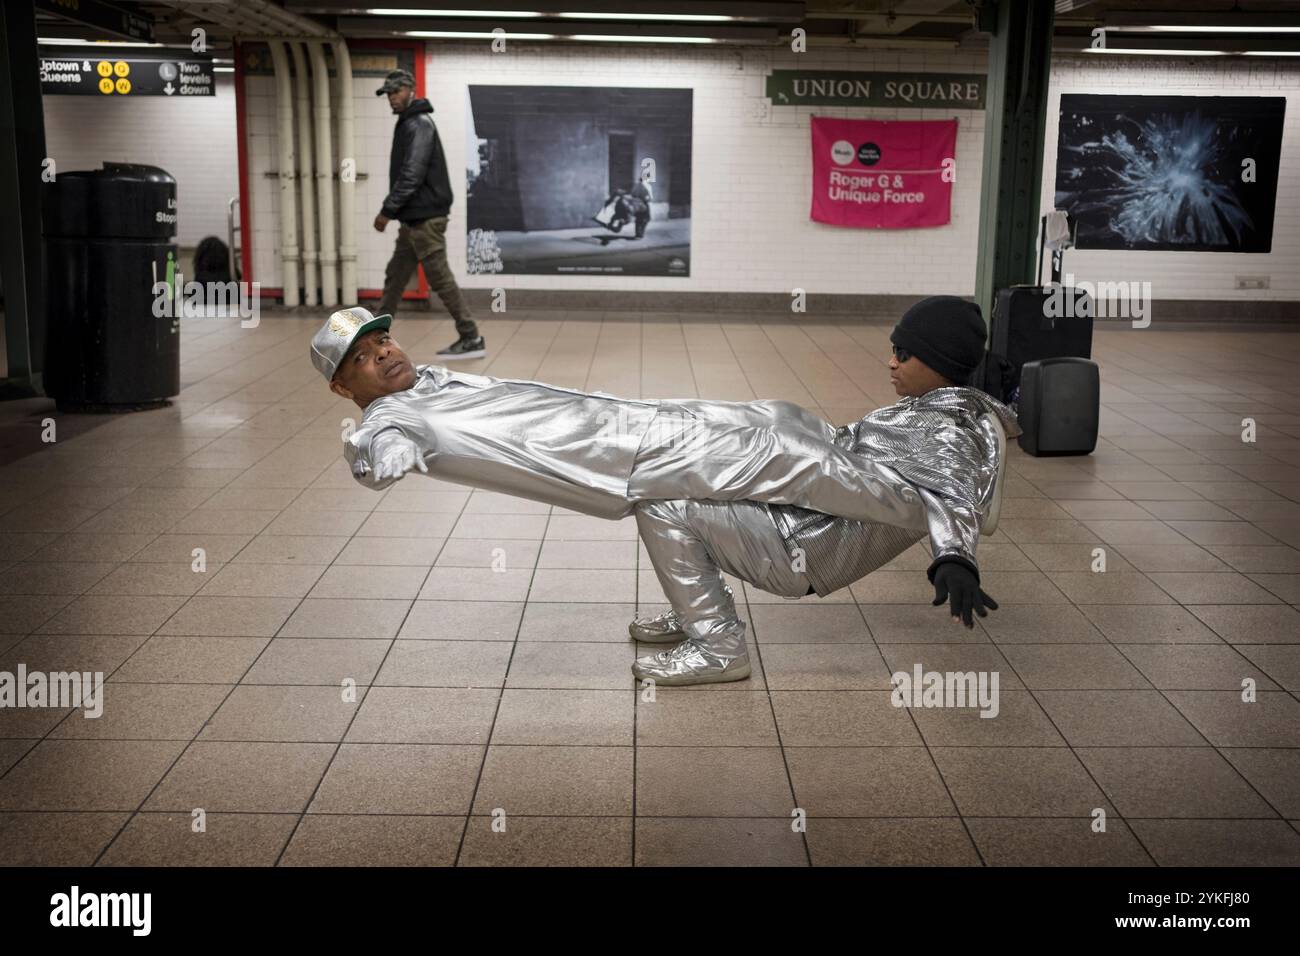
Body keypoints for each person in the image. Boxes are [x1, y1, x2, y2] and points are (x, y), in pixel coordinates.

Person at [310, 297, 1016, 683]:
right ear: (347, 387)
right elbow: (380, 451)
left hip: (803, 537)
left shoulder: (958, 426)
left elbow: (932, 490)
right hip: (718, 471)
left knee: (745, 452)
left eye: (384, 343)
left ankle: (718, 645)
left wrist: (954, 553)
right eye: (367, 359)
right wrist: (370, 436)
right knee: (746, 435)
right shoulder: (402, 411)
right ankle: (707, 626)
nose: (387, 354)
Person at [373, 69, 484, 361]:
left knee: (439, 277)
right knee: (395, 275)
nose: (391, 99)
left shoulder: (419, 123)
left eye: (395, 92)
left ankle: (471, 335)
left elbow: (413, 172)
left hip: (425, 219)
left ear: (410, 89)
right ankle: (374, 337)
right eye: (388, 95)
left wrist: (388, 210)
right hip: (414, 219)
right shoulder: (409, 122)